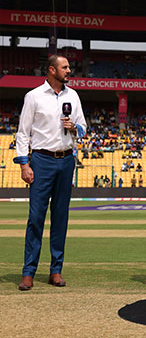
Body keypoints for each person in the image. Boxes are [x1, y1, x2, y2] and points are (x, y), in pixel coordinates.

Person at [13, 55, 87, 291]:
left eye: (68, 67)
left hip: (66, 160)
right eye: (64, 67)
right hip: (42, 160)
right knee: (36, 217)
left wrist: (75, 128)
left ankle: (56, 270)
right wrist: (25, 164)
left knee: (60, 218)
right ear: (52, 70)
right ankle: (28, 272)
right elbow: (23, 133)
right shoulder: (33, 96)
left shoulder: (73, 95)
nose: (69, 70)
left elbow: (83, 128)